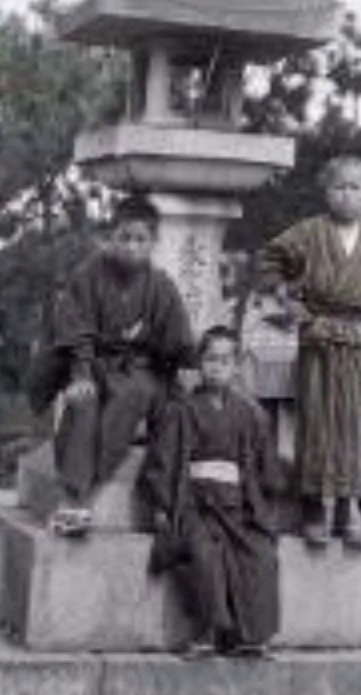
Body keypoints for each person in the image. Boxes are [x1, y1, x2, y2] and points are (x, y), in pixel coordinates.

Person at [258, 155, 361, 546]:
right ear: (326, 192)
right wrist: (287, 298)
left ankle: (347, 507)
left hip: (360, 342)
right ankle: (312, 507)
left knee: (355, 426)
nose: (347, 195)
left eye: (355, 187)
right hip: (318, 336)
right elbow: (270, 258)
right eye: (339, 187)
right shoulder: (308, 232)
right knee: (319, 422)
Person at [46, 194, 194, 537]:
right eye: (124, 237)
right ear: (110, 238)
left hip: (141, 369)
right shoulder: (87, 276)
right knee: (83, 402)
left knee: (136, 393)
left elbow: (179, 342)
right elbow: (73, 329)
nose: (131, 246)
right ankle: (73, 495)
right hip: (93, 363)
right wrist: (81, 372)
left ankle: (90, 490)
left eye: (140, 239)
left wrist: (162, 347)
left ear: (153, 243)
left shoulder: (161, 285)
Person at [143, 326, 281, 656]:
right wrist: (164, 507)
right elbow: (163, 462)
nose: (216, 366)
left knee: (260, 555)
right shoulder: (182, 410)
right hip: (194, 504)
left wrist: (268, 497)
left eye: (224, 360)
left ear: (236, 366)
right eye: (209, 359)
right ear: (199, 364)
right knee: (205, 555)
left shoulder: (248, 414)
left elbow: (264, 469)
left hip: (237, 505)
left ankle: (250, 638)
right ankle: (207, 633)